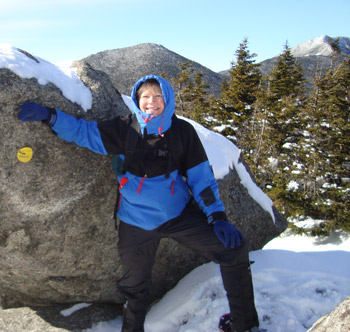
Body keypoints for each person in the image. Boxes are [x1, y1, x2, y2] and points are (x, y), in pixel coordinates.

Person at [18, 75, 260, 332]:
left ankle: (243, 325)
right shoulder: (125, 128)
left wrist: (217, 216)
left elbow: (201, 177)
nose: (151, 102)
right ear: (137, 100)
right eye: (145, 96)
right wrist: (51, 116)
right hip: (135, 222)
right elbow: (83, 132)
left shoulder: (182, 132)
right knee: (135, 287)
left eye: (157, 96)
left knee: (234, 248)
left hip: (178, 216)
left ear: (167, 100)